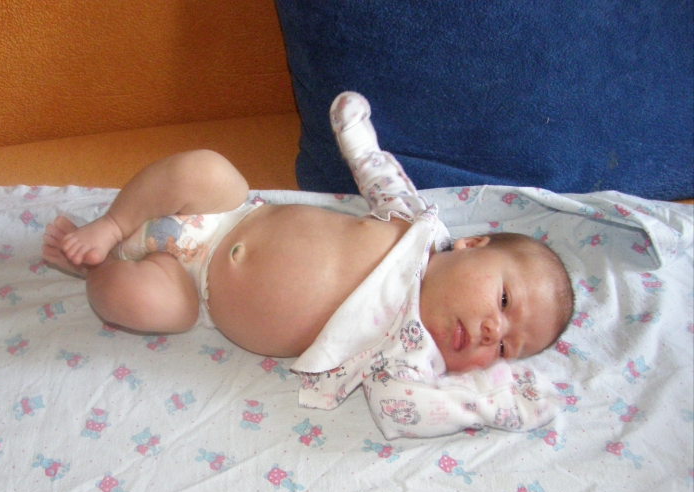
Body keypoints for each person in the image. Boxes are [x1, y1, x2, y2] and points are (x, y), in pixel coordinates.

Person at [43, 92, 574, 439]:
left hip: (193, 290)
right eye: (504, 301)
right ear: (472, 244)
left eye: (504, 349)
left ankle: (96, 266)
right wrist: (356, 135)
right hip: (228, 215)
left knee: (137, 302)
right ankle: (112, 225)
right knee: (209, 169)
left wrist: (487, 404)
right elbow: (381, 177)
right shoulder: (418, 228)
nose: (492, 332)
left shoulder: (408, 351)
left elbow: (400, 408)